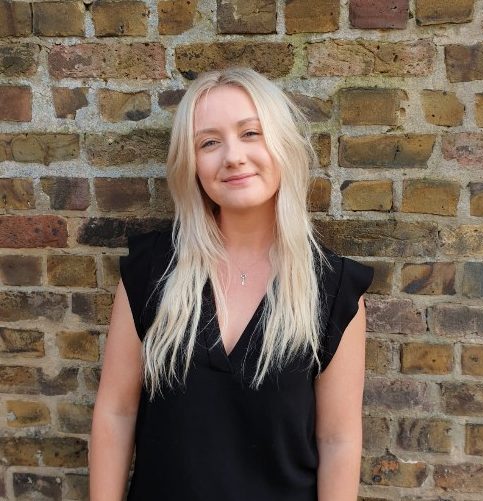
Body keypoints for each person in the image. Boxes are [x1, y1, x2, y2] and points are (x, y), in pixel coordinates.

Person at [89, 67, 374, 501]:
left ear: (281, 143)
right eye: (209, 142)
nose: (233, 156)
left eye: (250, 133)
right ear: (192, 164)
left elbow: (338, 441)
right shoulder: (152, 270)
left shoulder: (332, 290)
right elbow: (116, 410)